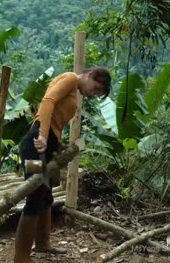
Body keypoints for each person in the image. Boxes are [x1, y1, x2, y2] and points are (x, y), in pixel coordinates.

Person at [14, 67, 112, 263]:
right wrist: (42, 135)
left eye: (96, 94)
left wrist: (56, 144)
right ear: (90, 75)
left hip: (47, 143)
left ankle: (43, 243)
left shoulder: (74, 88)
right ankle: (21, 257)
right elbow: (48, 101)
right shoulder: (70, 78)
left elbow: (56, 121)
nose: (92, 94)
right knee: (35, 195)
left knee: (47, 195)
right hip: (35, 144)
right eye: (95, 89)